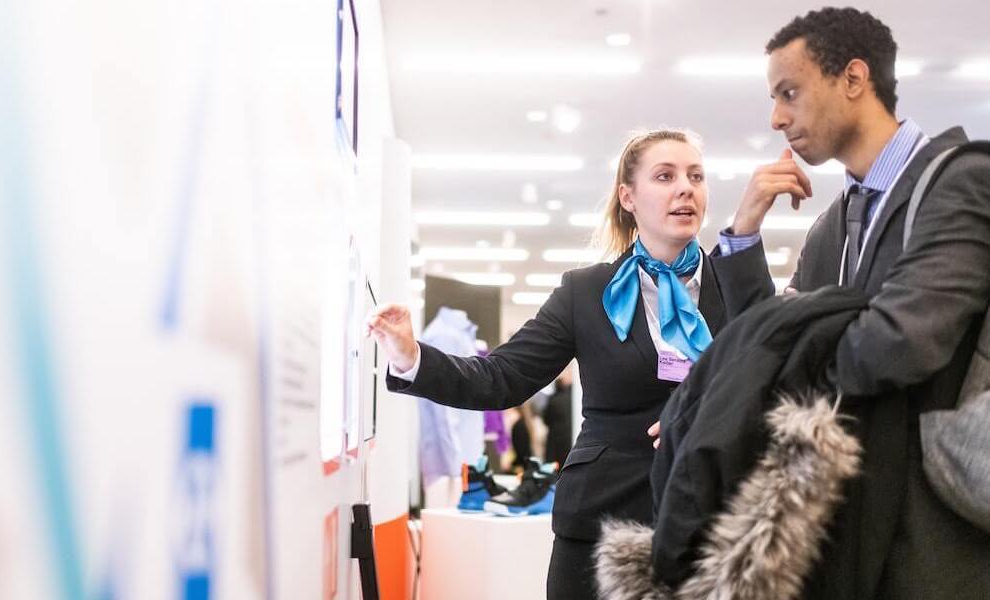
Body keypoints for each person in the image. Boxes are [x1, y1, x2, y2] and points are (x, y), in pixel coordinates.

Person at [366, 129, 773, 598]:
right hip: (602, 522)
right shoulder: (586, 293)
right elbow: (501, 379)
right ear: (628, 196)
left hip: (713, 521)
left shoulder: (737, 282)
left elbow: (770, 377)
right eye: (665, 176)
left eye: (696, 176)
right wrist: (409, 356)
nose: (686, 188)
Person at [718, 7, 990, 597]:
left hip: (937, 544)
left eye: (789, 93)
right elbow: (764, 347)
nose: (776, 117)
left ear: (853, 78)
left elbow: (898, 344)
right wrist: (741, 237)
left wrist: (781, 357)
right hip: (851, 536)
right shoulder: (832, 229)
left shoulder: (959, 182)